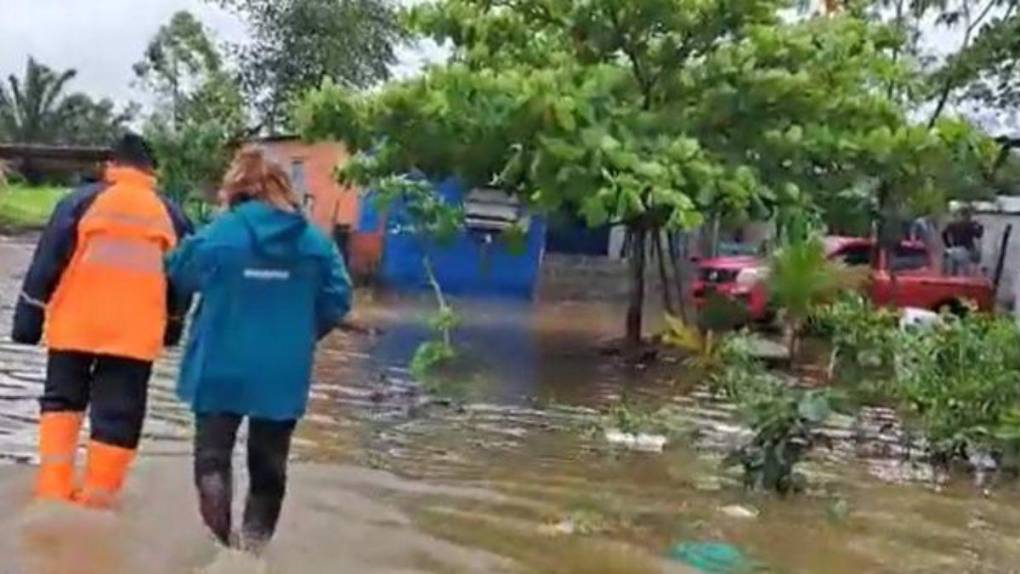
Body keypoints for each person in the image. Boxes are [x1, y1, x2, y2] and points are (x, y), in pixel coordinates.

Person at [167, 149, 351, 551]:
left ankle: (222, 550)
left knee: (212, 459)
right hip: (281, 371)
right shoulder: (315, 243)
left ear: (235, 187)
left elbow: (179, 272)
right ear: (285, 188)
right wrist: (299, 334)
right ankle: (252, 556)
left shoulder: (220, 233)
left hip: (219, 362)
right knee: (269, 467)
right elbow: (339, 298)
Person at [11, 133, 193, 507]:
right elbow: (181, 282)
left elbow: (46, 263)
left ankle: (53, 494)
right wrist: (173, 326)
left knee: (62, 404)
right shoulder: (172, 216)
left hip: (74, 328)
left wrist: (28, 319)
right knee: (118, 416)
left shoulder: (78, 203)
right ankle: (97, 502)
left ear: (111, 165)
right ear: (151, 171)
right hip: (134, 336)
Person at [942, 205, 984, 275]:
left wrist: (948, 245)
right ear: (968, 215)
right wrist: (980, 226)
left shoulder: (953, 224)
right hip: (966, 250)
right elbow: (979, 235)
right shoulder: (969, 225)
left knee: (952, 272)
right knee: (968, 269)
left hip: (954, 249)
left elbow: (943, 233)